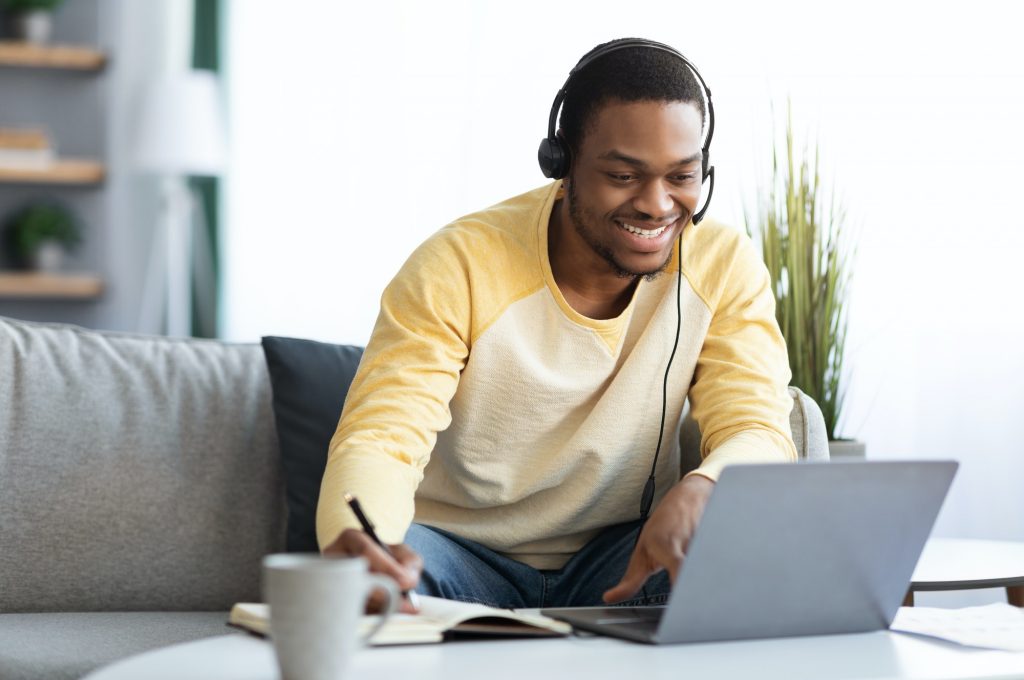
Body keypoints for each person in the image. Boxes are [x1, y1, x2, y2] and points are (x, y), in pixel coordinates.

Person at [317, 38, 796, 612]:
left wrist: (705, 487)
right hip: (455, 552)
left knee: (746, 564)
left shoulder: (722, 264)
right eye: (623, 174)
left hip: (621, 556)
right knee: (371, 590)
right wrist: (366, 546)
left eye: (682, 176)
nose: (657, 204)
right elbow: (382, 438)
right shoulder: (458, 264)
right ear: (562, 164)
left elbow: (759, 428)